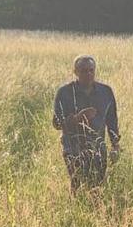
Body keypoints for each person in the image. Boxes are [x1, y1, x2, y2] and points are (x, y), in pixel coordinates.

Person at [52, 55, 121, 192]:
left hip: (98, 147)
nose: (88, 74)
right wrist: (77, 118)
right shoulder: (64, 92)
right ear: (75, 72)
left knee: (97, 187)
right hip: (73, 147)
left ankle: (96, 212)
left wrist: (115, 145)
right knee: (77, 185)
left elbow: (112, 121)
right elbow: (56, 123)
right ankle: (76, 211)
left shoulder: (105, 91)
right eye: (83, 71)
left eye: (91, 70)